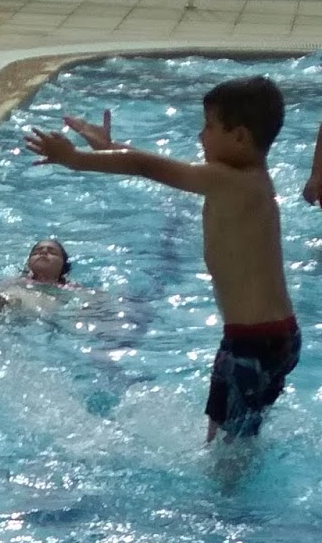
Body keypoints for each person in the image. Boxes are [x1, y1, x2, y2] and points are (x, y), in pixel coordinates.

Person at [26, 77, 299, 442]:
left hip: (252, 342)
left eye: (209, 127)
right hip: (270, 336)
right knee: (237, 436)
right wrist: (110, 148)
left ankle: (228, 481)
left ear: (239, 137)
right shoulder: (246, 180)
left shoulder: (232, 181)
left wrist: (76, 159)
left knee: (228, 448)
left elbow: (145, 166)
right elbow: (159, 166)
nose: (200, 136)